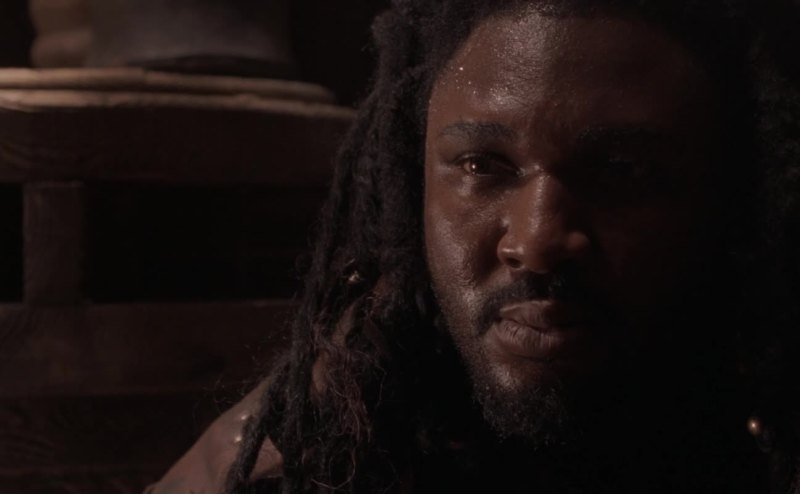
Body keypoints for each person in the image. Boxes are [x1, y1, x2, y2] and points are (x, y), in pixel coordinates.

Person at [148, 0, 800, 492]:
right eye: (483, 165)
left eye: (623, 171)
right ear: (415, 185)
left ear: (734, 199)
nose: (537, 241)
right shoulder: (294, 466)